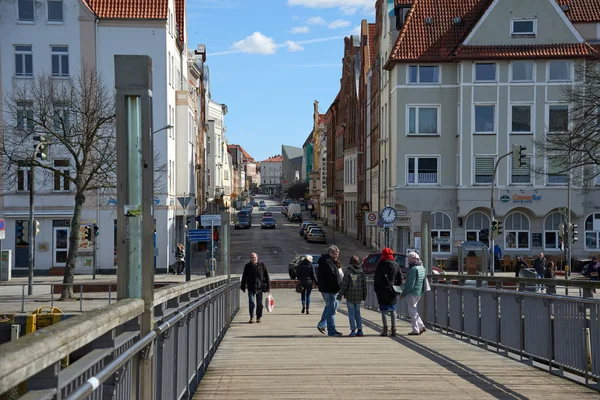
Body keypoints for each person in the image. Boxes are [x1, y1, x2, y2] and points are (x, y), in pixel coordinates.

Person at [374, 248, 402, 337]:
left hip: (382, 290)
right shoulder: (396, 264)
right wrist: (396, 286)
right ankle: (394, 330)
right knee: (393, 310)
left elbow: (377, 279)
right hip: (392, 290)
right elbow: (400, 278)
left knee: (384, 310)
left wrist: (377, 289)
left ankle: (385, 330)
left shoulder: (380, 265)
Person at [337, 255, 367, 337]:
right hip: (359, 296)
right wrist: (364, 296)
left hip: (350, 296)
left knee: (351, 313)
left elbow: (344, 285)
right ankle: (360, 330)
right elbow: (364, 286)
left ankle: (353, 330)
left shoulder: (348, 271)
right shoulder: (362, 272)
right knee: (358, 313)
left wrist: (339, 295)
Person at [317, 245, 343, 336]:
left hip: (326, 288)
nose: (337, 256)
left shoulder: (327, 261)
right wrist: (339, 286)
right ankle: (331, 330)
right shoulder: (328, 262)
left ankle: (322, 324)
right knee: (331, 309)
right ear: (331, 253)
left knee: (329, 307)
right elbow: (333, 276)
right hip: (330, 289)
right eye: (336, 254)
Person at [400, 252, 427, 336]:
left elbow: (410, 284)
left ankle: (416, 329)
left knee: (412, 311)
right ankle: (421, 326)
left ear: (412, 259)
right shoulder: (422, 268)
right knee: (414, 310)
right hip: (419, 292)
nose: (408, 260)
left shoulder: (413, 269)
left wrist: (403, 294)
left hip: (412, 292)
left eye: (409, 258)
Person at [240, 253, 270, 323]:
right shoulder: (247, 266)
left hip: (259, 287)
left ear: (257, 258)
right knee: (252, 302)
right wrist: (243, 287)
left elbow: (267, 276)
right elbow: (244, 277)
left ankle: (258, 317)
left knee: (259, 303)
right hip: (251, 287)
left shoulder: (262, 265)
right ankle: (252, 317)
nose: (253, 259)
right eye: (251, 257)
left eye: (254, 257)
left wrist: (269, 287)